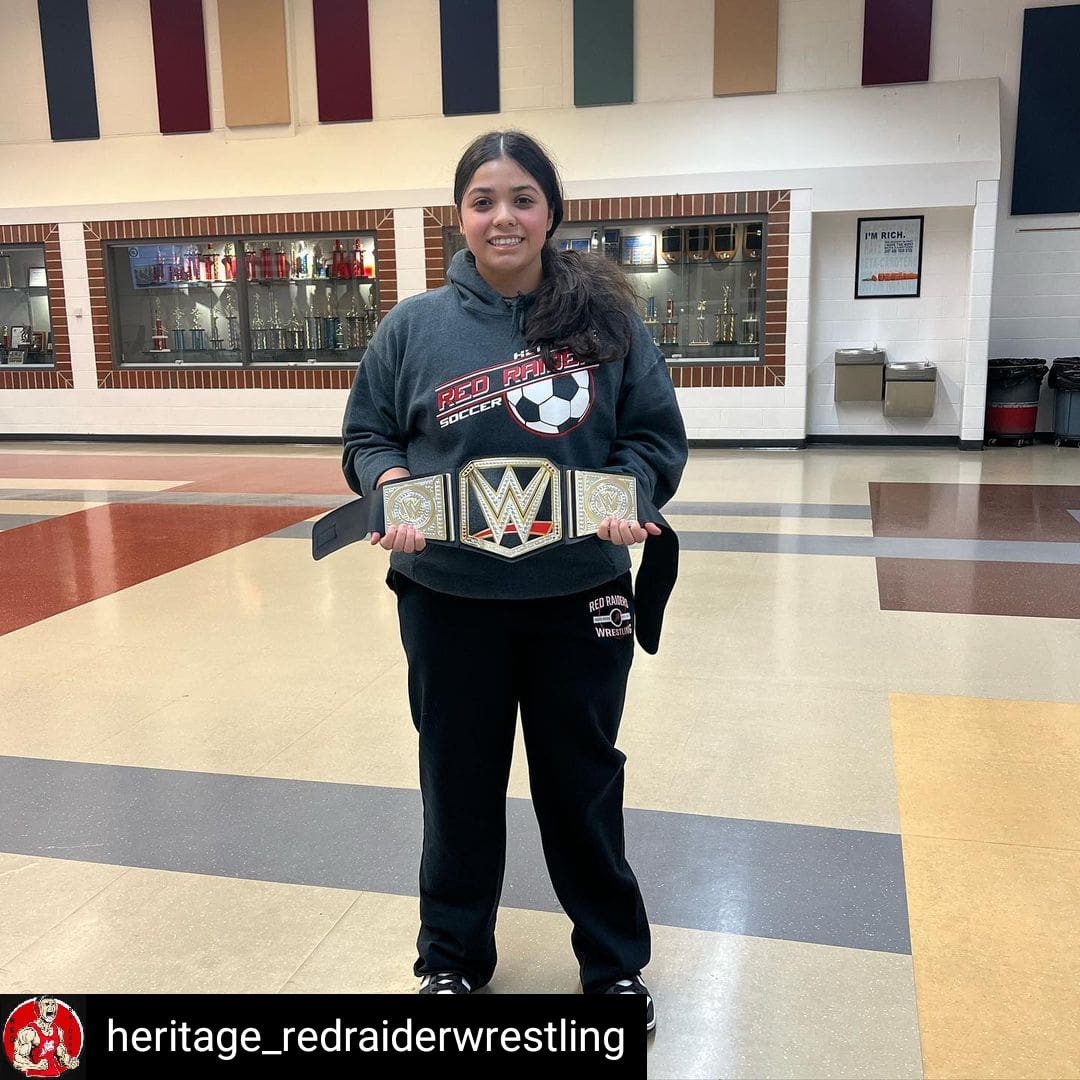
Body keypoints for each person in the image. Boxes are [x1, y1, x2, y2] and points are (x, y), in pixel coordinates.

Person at [340, 130, 687, 1031]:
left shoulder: (608, 324)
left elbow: (651, 436)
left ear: (550, 212)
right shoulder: (414, 327)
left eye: (523, 198)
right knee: (456, 782)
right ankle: (451, 958)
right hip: (450, 599)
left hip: (582, 596)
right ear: (460, 216)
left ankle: (612, 965)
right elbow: (369, 434)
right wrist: (384, 485)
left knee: (581, 784)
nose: (504, 217)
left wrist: (634, 494)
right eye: (485, 199)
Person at [12, 996, 80, 1075]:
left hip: (54, 1075)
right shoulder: (30, 1032)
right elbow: (17, 1060)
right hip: (36, 1076)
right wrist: (36, 1066)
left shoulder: (58, 1031)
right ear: (38, 1009)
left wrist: (69, 1064)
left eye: (53, 1004)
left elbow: (61, 1056)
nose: (51, 1007)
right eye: (47, 1004)